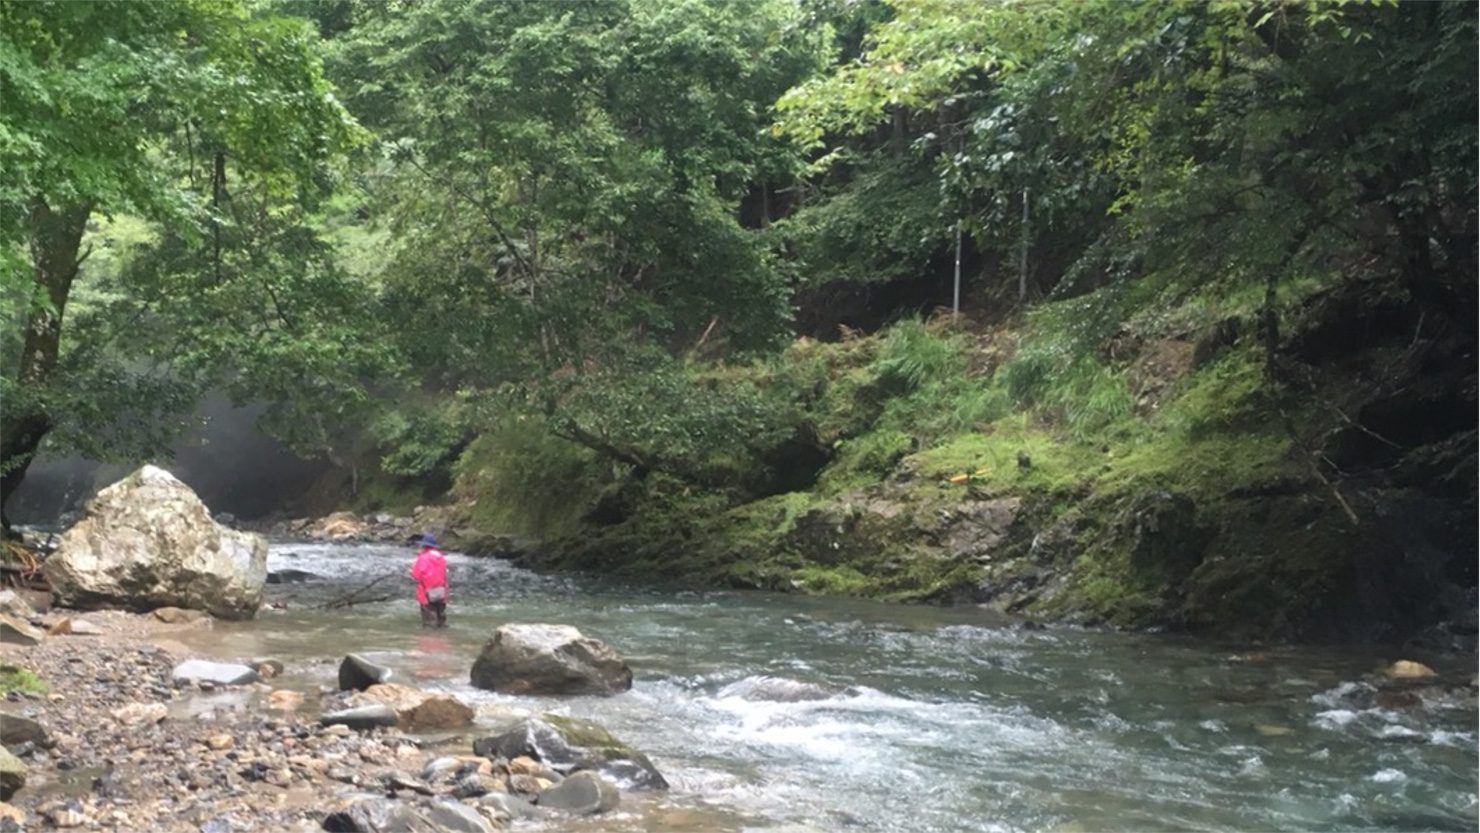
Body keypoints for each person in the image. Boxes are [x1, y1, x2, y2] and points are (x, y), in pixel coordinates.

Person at [410, 533, 449, 628]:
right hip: (442, 592)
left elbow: (416, 575)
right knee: (441, 620)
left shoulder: (422, 558)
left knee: (429, 623)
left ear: (424, 545)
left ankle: (430, 641)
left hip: (426, 593)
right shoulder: (441, 557)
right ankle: (442, 640)